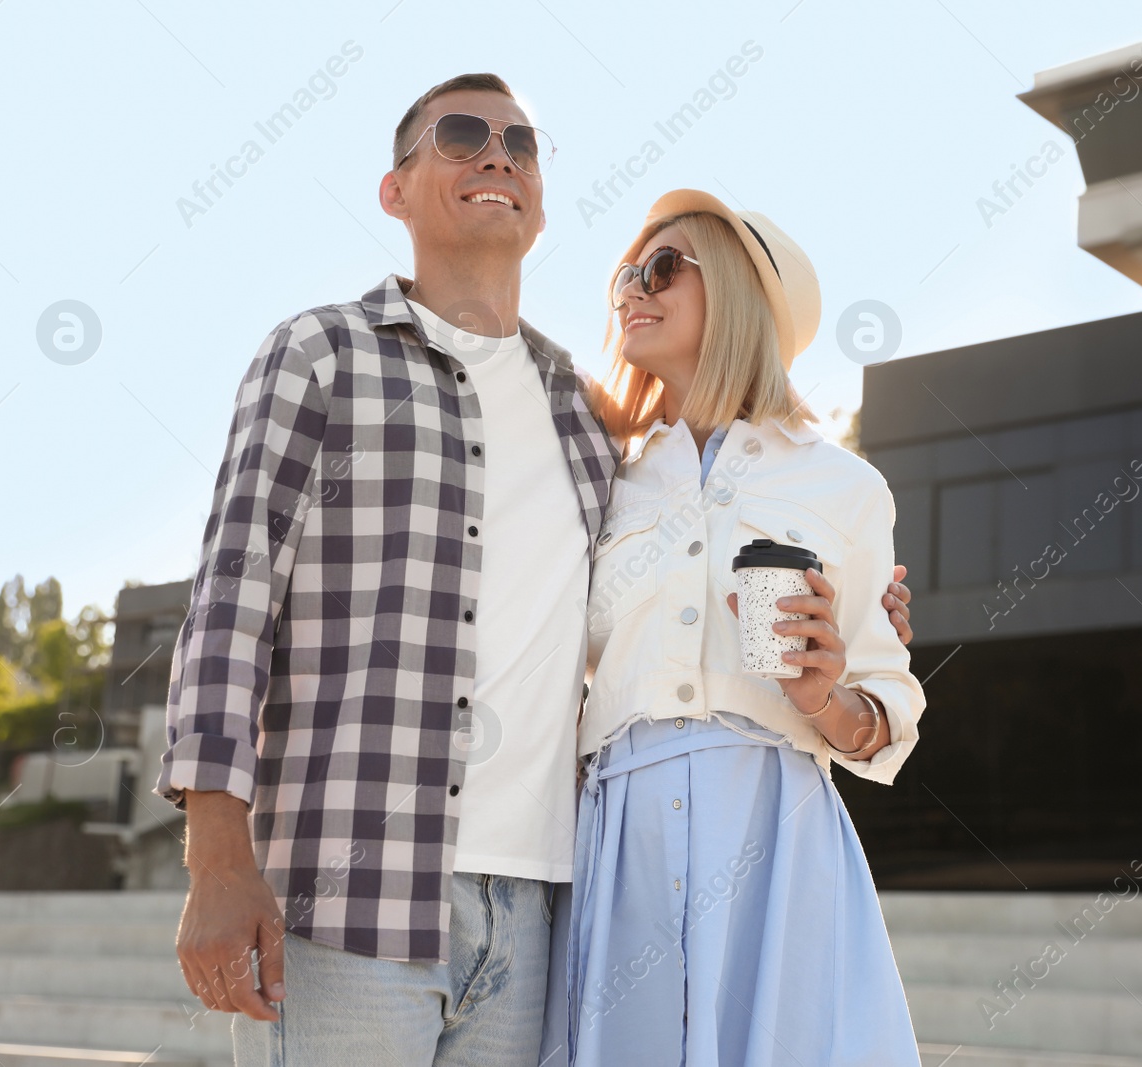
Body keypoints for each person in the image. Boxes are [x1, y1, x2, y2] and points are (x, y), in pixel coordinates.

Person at [155, 74, 917, 1066]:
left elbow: (832, 654)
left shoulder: (589, 420)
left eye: (522, 142)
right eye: (460, 136)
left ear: (542, 202)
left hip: (550, 901)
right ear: (395, 189)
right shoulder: (329, 356)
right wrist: (216, 856)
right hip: (360, 885)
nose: (497, 155)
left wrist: (851, 646)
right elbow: (230, 601)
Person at [540, 190, 925, 1066]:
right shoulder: (605, 482)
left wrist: (825, 697)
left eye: (664, 267)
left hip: (774, 822)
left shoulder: (846, 486)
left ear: (744, 297)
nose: (634, 290)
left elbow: (887, 704)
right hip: (619, 819)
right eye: (625, 276)